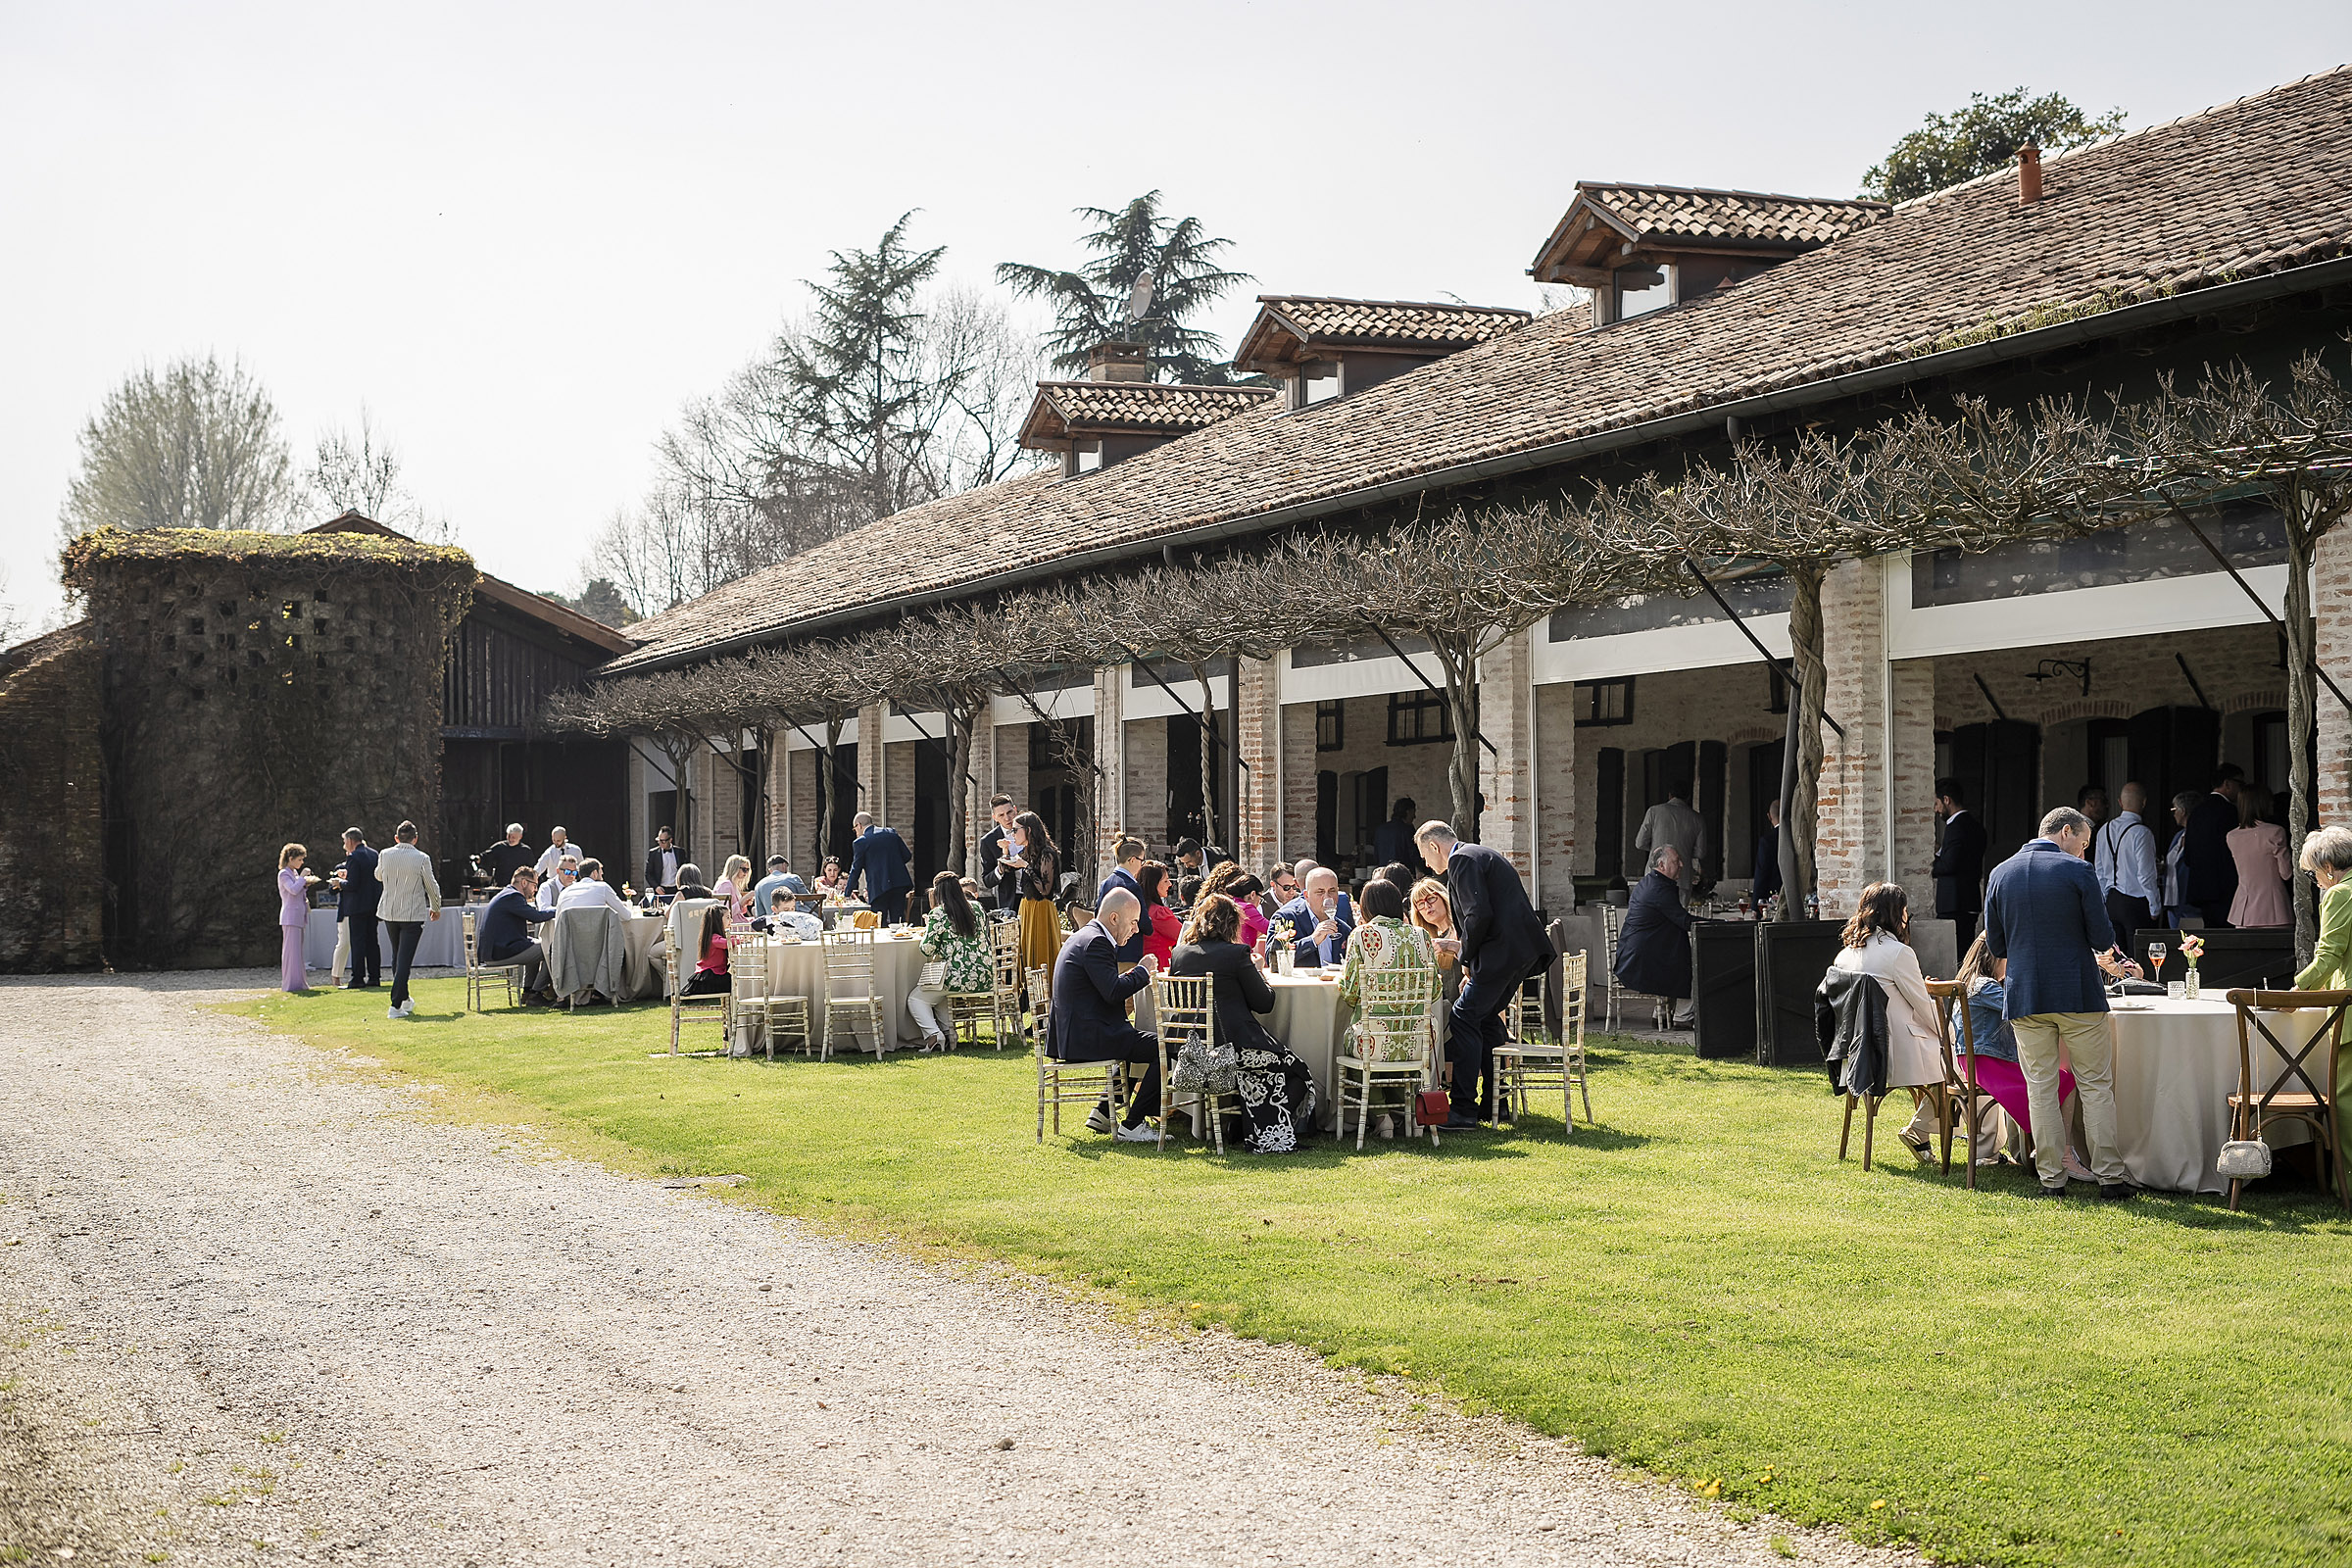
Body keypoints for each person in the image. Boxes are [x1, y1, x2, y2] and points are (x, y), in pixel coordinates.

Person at [1984, 806, 2143, 1201]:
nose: (2084, 853)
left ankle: (2051, 1179)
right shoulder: (2077, 872)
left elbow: (1998, 945)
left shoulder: (2000, 873)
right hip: (2077, 993)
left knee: (2040, 1087)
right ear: (2065, 831)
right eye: (2083, 844)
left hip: (2026, 995)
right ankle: (2110, 1177)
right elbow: (2103, 937)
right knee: (2095, 1085)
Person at [1416, 819, 1548, 1131]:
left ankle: (1462, 1109)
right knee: (1486, 1019)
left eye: (1425, 856)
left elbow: (1478, 914)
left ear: (1435, 846)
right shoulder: (1476, 855)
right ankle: (1495, 1105)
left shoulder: (1461, 859)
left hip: (1501, 954)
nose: (1425, 862)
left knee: (1462, 1018)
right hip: (1515, 953)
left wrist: (1466, 959)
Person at [1171, 893, 1316, 1152]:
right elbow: (1264, 1003)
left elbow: (1178, 1002)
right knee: (1298, 1071)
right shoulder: (1236, 954)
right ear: (1232, 924)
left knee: (1268, 1068)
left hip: (1190, 1049)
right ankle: (1265, 1133)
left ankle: (1243, 1126)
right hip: (1233, 1049)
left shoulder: (1179, 953)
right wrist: (1258, 971)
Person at [1829, 882, 1950, 1164]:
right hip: (1892, 1055)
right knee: (1955, 1060)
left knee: (1946, 1053)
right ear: (1897, 914)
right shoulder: (1898, 953)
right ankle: (1925, 1132)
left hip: (1855, 1058)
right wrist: (1948, 1031)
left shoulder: (1844, 955)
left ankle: (1921, 1135)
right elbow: (1923, 1007)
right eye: (1905, 911)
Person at [1047, 888, 1162, 1142]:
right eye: (1133, 922)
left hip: (1077, 1032)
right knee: (1163, 1048)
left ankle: (1103, 1110)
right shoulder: (1097, 941)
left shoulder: (1087, 935)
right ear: (1114, 918)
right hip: (1087, 1036)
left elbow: (1103, 986)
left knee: (1135, 1041)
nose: (1135, 929)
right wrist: (1141, 972)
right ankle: (1133, 1124)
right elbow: (1112, 992)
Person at [1338, 879, 1443, 1134]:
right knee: (1394, 1051)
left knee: (1356, 1041)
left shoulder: (1361, 935)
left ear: (1365, 908)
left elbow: (1351, 992)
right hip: (1420, 1037)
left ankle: (1381, 1116)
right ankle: (1411, 1115)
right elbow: (1436, 990)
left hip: (1374, 1039)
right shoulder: (1421, 935)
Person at [907, 871, 994, 1051]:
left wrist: (928, 932)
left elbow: (927, 949)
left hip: (956, 978)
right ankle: (949, 1033)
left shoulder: (939, 913)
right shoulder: (977, 908)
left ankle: (933, 1035)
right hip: (984, 976)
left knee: (916, 998)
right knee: (937, 996)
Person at [1614, 845, 1695, 1028]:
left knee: (1680, 955)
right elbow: (1683, 920)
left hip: (1635, 952)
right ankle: (1682, 1016)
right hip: (1639, 960)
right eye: (1676, 861)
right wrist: (1717, 924)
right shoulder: (1659, 888)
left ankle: (1661, 1012)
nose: (1681, 864)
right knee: (1695, 965)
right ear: (1661, 865)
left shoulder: (1651, 882)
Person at [375, 820, 442, 1020]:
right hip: (412, 914)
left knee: (398, 956)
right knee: (403, 959)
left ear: (396, 838)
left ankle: (403, 999)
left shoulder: (385, 854)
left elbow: (378, 876)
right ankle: (395, 1006)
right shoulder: (421, 857)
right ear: (415, 838)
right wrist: (436, 906)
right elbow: (431, 884)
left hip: (390, 912)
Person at [2094, 781, 2162, 939]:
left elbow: (2100, 871)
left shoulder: (2104, 830)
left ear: (2120, 802)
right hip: (2135, 903)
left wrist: (2103, 901)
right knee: (2138, 956)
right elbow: (2146, 875)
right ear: (2144, 802)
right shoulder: (2141, 833)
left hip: (2112, 901)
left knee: (2117, 958)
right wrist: (2155, 906)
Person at [479, 866, 559, 999]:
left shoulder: (506, 894)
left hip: (494, 951)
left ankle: (528, 991)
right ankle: (537, 992)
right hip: (499, 954)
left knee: (538, 944)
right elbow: (536, 917)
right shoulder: (513, 896)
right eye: (535, 885)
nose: (536, 889)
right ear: (524, 883)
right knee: (550, 948)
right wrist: (560, 908)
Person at [1931, 777, 1989, 950]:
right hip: (1970, 899)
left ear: (1946, 800)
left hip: (1954, 903)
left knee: (1955, 955)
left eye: (1937, 803)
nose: (1936, 809)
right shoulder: (1976, 826)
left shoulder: (1956, 826)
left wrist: (1930, 867)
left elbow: (1951, 865)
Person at [2226, 781, 2293, 929]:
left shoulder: (2232, 836)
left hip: (2243, 909)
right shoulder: (2275, 832)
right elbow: (2286, 873)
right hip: (2274, 909)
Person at [2180, 771, 2243, 928]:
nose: (2240, 789)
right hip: (2226, 885)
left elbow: (2187, 855)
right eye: (2239, 784)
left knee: (2210, 934)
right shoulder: (2229, 811)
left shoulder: (2196, 811)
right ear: (2227, 783)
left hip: (2202, 886)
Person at [2294, 826, 2352, 992]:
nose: (2318, 884)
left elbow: (2330, 954)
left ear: (2327, 867)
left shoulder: (2340, 893)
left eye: (2312, 875)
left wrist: (2299, 992)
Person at [1008, 811, 1062, 981]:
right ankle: (1028, 995)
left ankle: (1046, 995)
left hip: (1042, 908)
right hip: (1026, 907)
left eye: (1016, 829)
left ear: (1029, 830)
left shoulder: (1047, 853)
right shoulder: (1026, 851)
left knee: (1041, 951)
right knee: (1025, 950)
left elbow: (1045, 889)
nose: (1013, 834)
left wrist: (1025, 866)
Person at [1274, 866, 1354, 968]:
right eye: (1320, 892)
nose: (1327, 897)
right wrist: (1312, 941)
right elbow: (1274, 960)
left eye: (1332, 891)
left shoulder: (1343, 929)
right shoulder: (1285, 918)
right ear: (1306, 895)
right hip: (1300, 983)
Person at [1634, 785, 1705, 896]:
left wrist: (1659, 850)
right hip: (1682, 878)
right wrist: (1684, 851)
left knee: (1654, 912)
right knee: (1679, 912)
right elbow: (1700, 853)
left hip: (1655, 874)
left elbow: (1640, 843)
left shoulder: (1654, 812)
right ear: (1688, 798)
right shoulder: (1697, 818)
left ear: (1670, 795)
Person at [847, 811, 914, 923]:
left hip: (878, 886)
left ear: (859, 825)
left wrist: (847, 893)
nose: (856, 833)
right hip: (898, 883)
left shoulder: (861, 841)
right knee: (898, 921)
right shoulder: (891, 833)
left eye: (855, 830)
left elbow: (856, 869)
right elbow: (907, 855)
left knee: (878, 923)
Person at [1409, 878, 1465, 1011]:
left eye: (1431, 898)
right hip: (1444, 1010)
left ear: (1443, 897)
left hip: (1466, 1008)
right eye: (1420, 904)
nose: (1427, 906)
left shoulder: (1461, 928)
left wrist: (1453, 946)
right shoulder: (1429, 939)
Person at [334, 828, 380, 989]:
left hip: (357, 907)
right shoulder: (374, 854)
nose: (344, 845)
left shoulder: (354, 857)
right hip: (373, 905)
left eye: (344, 841)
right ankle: (374, 977)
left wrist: (339, 883)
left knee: (358, 942)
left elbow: (353, 884)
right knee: (372, 942)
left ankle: (358, 978)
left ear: (350, 841)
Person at [1097, 835, 1148, 961]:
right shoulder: (1133, 886)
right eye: (1142, 861)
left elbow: (1097, 915)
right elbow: (1145, 924)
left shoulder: (1105, 883)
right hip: (1129, 954)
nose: (1142, 865)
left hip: (1107, 952)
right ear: (1132, 860)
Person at [276, 843, 317, 993]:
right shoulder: (284, 874)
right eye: (300, 859)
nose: (302, 863)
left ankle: (299, 983)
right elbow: (292, 890)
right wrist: (303, 877)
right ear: (291, 858)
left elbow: (298, 889)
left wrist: (305, 884)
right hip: (290, 916)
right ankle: (290, 984)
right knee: (291, 951)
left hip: (298, 915)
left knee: (297, 952)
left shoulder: (292, 873)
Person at [2161, 791, 2201, 927]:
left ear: (2183, 811)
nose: (2173, 813)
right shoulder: (2178, 836)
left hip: (2189, 902)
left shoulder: (2198, 836)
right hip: (2172, 901)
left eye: (2174, 809)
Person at [978, 795, 1020, 913]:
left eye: (1010, 812)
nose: (1007, 818)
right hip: (1010, 900)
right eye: (1001, 815)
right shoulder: (988, 841)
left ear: (1015, 810)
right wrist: (1000, 869)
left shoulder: (1030, 830)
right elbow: (987, 880)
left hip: (1035, 895)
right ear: (994, 818)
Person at [1135, 861, 1182, 969]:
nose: (1170, 884)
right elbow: (1184, 936)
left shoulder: (1139, 908)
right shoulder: (1158, 913)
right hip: (1159, 968)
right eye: (1165, 881)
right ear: (1154, 884)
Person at [679, 903, 731, 997]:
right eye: (727, 917)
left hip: (715, 972)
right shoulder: (714, 938)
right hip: (710, 976)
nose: (731, 920)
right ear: (718, 921)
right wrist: (741, 939)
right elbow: (728, 943)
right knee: (736, 981)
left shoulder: (714, 937)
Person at [558, 858, 635, 918]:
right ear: (594, 873)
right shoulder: (603, 887)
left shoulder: (564, 893)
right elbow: (626, 916)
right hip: (598, 938)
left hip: (571, 938)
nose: (603, 873)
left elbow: (558, 924)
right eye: (601, 871)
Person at [478, 823, 535, 888]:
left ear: (520, 837)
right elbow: (487, 856)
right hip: (501, 885)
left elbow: (532, 869)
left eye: (513, 837)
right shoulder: (500, 847)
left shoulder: (526, 851)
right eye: (509, 836)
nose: (510, 839)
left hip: (519, 887)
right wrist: (478, 858)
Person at [1752, 797, 1783, 906]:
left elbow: (1762, 873)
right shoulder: (1797, 837)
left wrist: (1756, 905)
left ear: (1769, 816)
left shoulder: (1767, 841)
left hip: (1773, 899)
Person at [1373, 798, 1418, 869]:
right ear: (1408, 812)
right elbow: (1414, 854)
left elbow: (1376, 856)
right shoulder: (1407, 829)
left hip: (1383, 871)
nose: (1414, 816)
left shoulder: (1380, 829)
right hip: (1403, 872)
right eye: (1413, 812)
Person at [712, 854, 755, 922]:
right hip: (733, 926)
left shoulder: (732, 884)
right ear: (735, 868)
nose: (746, 873)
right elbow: (724, 913)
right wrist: (742, 901)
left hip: (737, 923)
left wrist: (744, 903)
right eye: (744, 869)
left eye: (747, 870)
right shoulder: (726, 884)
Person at [643, 827, 681, 896]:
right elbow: (648, 874)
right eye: (659, 840)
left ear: (670, 840)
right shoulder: (653, 853)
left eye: (663, 841)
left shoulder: (680, 852)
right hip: (661, 890)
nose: (660, 843)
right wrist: (656, 887)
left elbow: (684, 871)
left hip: (676, 889)